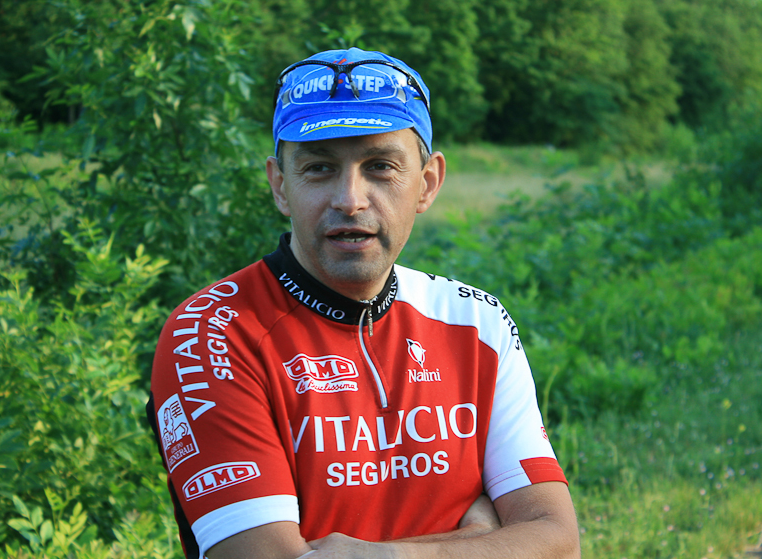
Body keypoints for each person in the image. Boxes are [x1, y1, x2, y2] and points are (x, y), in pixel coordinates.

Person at [146, 47, 580, 559]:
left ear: (427, 183)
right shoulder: (214, 333)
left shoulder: (476, 321)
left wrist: (396, 556)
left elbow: (558, 543)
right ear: (280, 186)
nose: (349, 199)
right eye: (319, 168)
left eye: (379, 167)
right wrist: (477, 539)